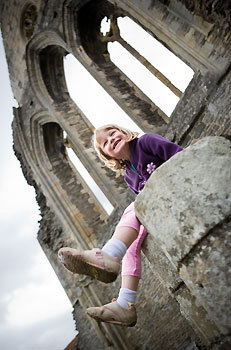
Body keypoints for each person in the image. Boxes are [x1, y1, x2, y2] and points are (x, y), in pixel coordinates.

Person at [58, 124, 183, 327]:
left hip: (176, 189)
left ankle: (108, 254)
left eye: (112, 133)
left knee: (132, 208)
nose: (111, 140)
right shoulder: (128, 176)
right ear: (108, 156)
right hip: (158, 208)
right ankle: (125, 304)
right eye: (105, 143)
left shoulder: (146, 141)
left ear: (124, 132)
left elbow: (180, 156)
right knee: (131, 246)